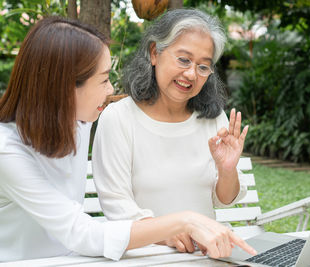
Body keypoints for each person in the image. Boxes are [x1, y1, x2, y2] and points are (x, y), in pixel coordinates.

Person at [0, 16, 256, 262]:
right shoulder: (4, 150)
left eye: (203, 66)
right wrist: (183, 222)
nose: (112, 89)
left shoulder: (78, 123)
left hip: (70, 260)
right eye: (103, 80)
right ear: (64, 87)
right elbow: (80, 231)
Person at [92, 9, 249, 253]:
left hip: (205, 256)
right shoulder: (119, 118)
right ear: (155, 53)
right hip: (147, 255)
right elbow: (117, 206)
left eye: (203, 67)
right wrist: (166, 234)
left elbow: (226, 199)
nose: (190, 74)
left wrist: (227, 170)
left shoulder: (213, 119)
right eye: (183, 60)